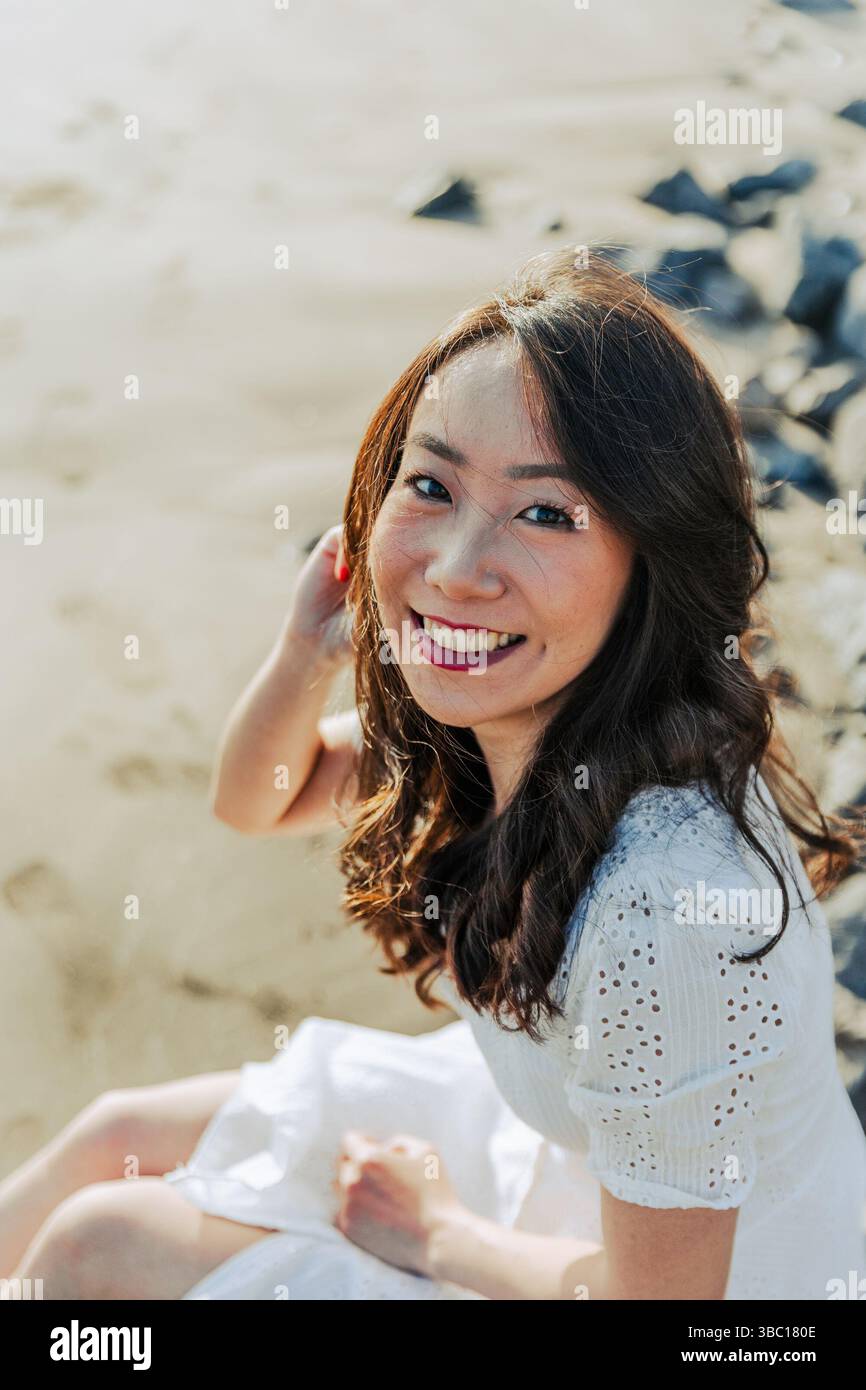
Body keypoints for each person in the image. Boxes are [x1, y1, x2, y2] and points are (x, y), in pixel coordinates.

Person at [3, 246, 865, 1300]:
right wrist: (306, 651)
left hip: (721, 1298)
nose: (455, 567)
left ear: (650, 564)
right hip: (586, 1158)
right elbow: (253, 802)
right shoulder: (508, 717)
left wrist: (437, 1235)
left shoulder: (667, 910)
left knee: (102, 1251)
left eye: (545, 513)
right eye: (430, 485)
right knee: (113, 1138)